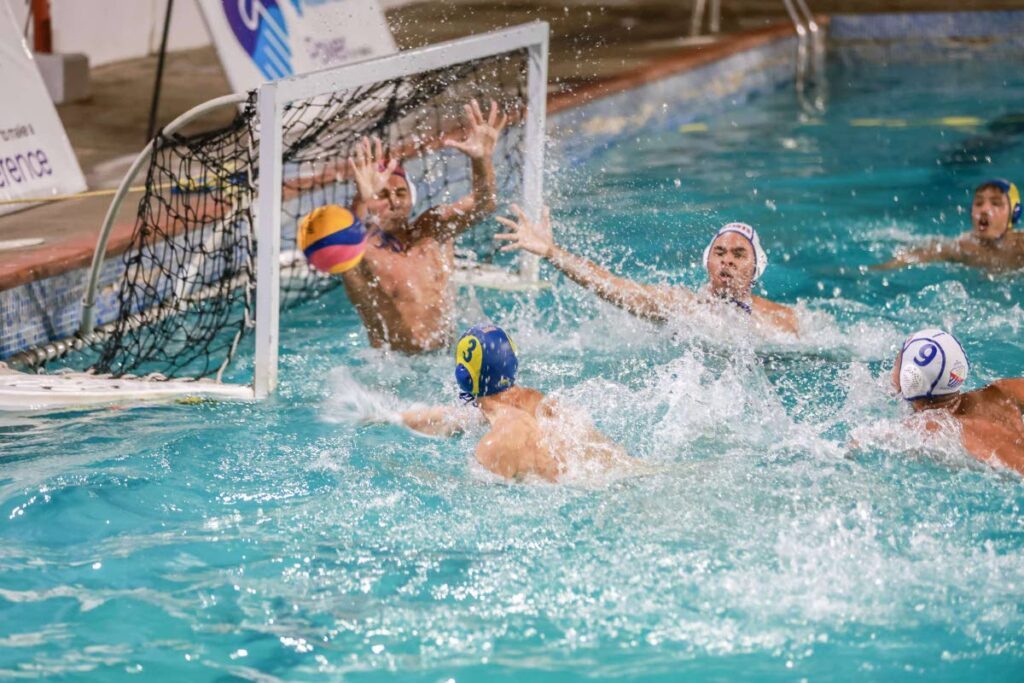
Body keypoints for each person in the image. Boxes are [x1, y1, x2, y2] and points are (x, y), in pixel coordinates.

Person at [339, 99, 508, 353]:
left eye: (400, 192)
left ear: (412, 196)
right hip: (398, 372)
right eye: (382, 195)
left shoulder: (433, 229)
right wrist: (361, 198)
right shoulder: (363, 251)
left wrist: (481, 161)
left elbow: (484, 203)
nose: (394, 201)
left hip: (446, 360)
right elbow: (340, 247)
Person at [493, 206, 799, 335]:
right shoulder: (682, 306)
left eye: (738, 254)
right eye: (719, 252)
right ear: (707, 261)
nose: (727, 261)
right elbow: (613, 287)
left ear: (756, 266)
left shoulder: (782, 319)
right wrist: (550, 251)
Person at [394, 325, 642, 482]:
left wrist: (418, 475)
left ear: (464, 376)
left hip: (593, 492)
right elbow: (457, 416)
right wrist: (392, 417)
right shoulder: (537, 402)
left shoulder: (494, 445)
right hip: (630, 473)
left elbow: (476, 498)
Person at [890, 327, 1024, 474]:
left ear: (910, 377)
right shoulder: (1003, 391)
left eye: (899, 359)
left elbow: (867, 440)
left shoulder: (930, 426)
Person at [876, 179, 1024, 271]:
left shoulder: (1020, 245)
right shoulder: (966, 246)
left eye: (996, 203)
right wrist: (884, 268)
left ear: (1014, 213)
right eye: (978, 203)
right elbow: (930, 251)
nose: (984, 209)